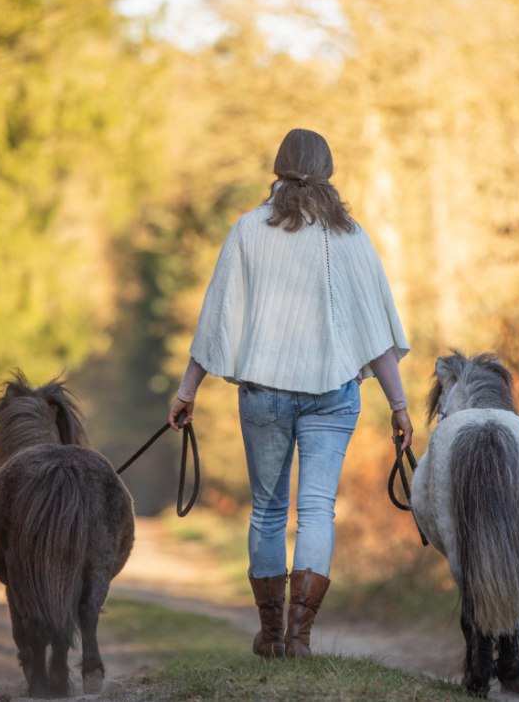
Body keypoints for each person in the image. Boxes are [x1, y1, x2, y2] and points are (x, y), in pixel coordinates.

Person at [168, 128, 412, 660]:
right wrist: (399, 406)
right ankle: (300, 638)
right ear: (328, 172)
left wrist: (188, 390)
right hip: (333, 394)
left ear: (277, 169)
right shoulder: (351, 237)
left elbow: (217, 319)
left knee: (267, 512)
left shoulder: (248, 230)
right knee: (318, 510)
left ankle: (272, 635)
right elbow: (376, 333)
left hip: (264, 395)